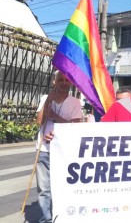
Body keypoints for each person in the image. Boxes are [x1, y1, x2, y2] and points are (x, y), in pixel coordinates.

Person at [35, 70, 83, 223]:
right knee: (44, 189)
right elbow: (39, 122)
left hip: (64, 152)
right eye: (60, 80)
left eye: (66, 80)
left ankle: (61, 216)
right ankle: (46, 219)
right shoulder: (45, 98)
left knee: (61, 187)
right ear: (54, 82)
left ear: (70, 83)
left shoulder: (75, 102)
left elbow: (76, 126)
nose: (63, 83)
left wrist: (56, 118)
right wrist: (48, 102)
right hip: (43, 149)